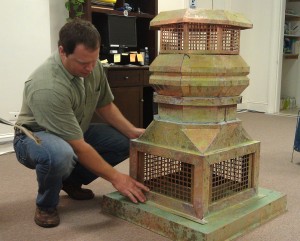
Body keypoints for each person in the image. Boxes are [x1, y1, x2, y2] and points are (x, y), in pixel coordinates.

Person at [13, 19, 149, 228]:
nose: (90, 68)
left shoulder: (92, 67)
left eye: (94, 61)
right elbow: (78, 146)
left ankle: (70, 181)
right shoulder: (47, 86)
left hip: (75, 130)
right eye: (83, 63)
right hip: (34, 137)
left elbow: (105, 105)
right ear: (62, 51)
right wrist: (116, 178)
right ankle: (46, 204)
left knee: (124, 142)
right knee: (60, 155)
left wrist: (131, 131)